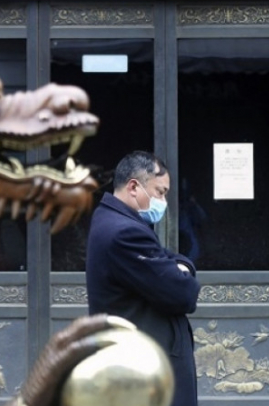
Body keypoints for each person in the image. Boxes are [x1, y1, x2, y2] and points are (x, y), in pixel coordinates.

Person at [86, 151, 200, 406]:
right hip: (145, 368)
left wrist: (178, 264)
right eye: (160, 192)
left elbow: (166, 259)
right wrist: (181, 268)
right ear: (134, 187)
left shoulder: (113, 219)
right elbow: (183, 293)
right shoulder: (124, 232)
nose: (163, 202)